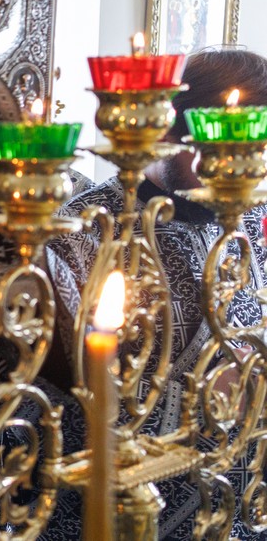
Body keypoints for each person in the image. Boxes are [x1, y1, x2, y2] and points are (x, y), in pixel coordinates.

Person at [45, 49, 267, 539]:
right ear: (167, 132)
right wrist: (202, 397)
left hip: (243, 510)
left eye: (256, 151)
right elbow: (60, 404)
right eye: (220, 146)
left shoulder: (251, 216)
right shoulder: (82, 234)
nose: (242, 171)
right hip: (127, 515)